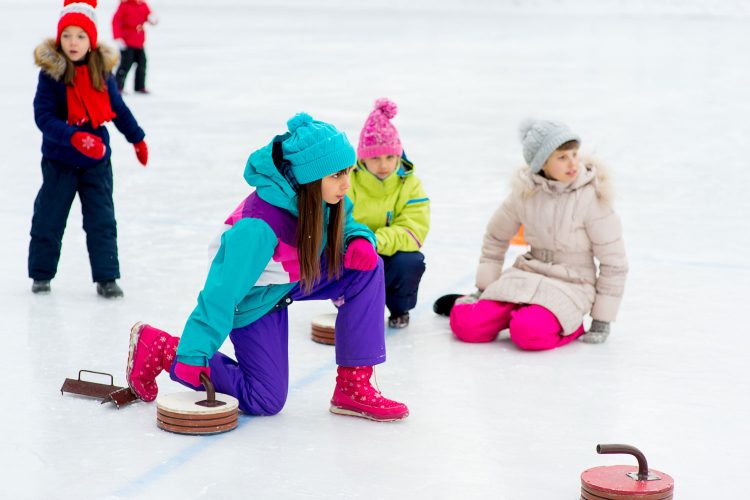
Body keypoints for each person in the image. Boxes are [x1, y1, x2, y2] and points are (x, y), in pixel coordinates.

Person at [126, 113, 409, 422]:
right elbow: (221, 293)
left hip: (296, 275)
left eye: (349, 172)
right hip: (254, 296)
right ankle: (164, 349)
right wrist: (194, 353)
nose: (346, 183)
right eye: (336, 175)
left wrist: (356, 239)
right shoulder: (258, 228)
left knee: (367, 269)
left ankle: (353, 388)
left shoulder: (326, 197)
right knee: (265, 399)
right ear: (309, 178)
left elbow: (347, 221)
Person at [444, 119, 628, 349]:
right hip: (527, 273)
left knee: (529, 332)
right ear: (542, 163)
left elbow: (614, 262)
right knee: (466, 324)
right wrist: (484, 288)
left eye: (574, 154)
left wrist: (601, 319)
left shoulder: (591, 198)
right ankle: (517, 311)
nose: (573, 163)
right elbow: (495, 238)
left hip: (573, 282)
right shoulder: (525, 193)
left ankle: (571, 325)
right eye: (562, 157)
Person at [30, 0, 148, 298]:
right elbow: (43, 116)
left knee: (101, 220)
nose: (73, 42)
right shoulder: (51, 74)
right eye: (67, 35)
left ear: (91, 41)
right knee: (49, 217)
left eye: (81, 36)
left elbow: (117, 109)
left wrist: (137, 138)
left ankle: (107, 278)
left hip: (97, 162)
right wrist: (72, 137)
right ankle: (41, 275)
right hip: (60, 160)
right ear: (59, 38)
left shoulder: (100, 72)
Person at [347, 98, 430, 328]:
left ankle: (399, 308)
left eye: (390, 157)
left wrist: (373, 241)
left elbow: (413, 231)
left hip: (388, 255)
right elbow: (336, 223)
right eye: (375, 157)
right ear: (362, 158)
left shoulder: (409, 184)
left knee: (410, 260)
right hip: (355, 254)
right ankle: (350, 304)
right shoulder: (347, 181)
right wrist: (359, 244)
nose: (384, 165)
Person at [112, 0, 157, 93]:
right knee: (125, 64)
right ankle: (118, 86)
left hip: (139, 41)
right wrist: (118, 37)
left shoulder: (143, 5)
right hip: (126, 41)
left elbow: (149, 16)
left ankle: (139, 87)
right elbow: (116, 21)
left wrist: (152, 19)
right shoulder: (124, 5)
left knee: (142, 64)